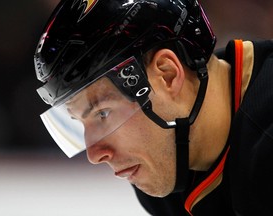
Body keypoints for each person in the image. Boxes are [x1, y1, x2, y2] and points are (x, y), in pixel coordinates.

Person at [33, 0, 273, 215]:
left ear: (167, 75)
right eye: (78, 122)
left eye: (102, 113)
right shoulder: (167, 176)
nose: (94, 155)